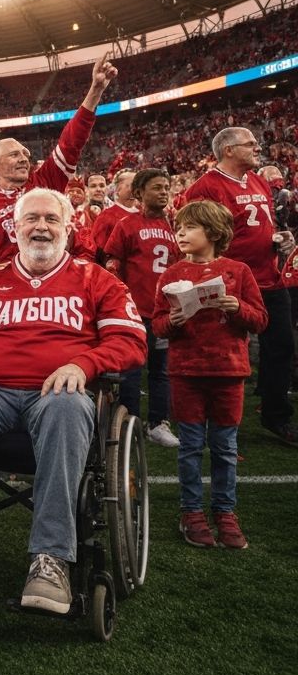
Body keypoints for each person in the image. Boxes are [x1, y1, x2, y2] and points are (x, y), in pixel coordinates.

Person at [0, 188, 146, 613]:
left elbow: (132, 340)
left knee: (67, 405)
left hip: (58, 392)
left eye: (51, 219)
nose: (40, 227)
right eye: (31, 219)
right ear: (15, 227)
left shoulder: (97, 280)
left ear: (68, 228)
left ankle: (51, 560)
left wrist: (84, 364)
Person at [152, 201, 267, 549]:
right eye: (179, 228)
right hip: (186, 371)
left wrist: (238, 309)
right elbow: (157, 324)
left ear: (214, 233)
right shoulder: (171, 275)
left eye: (189, 228)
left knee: (224, 447)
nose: (180, 233)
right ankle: (191, 512)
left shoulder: (238, 271)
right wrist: (172, 321)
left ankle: (225, 512)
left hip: (229, 372)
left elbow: (261, 319)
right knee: (189, 447)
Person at [185, 126, 297, 445]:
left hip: (269, 278)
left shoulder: (259, 180)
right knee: (219, 351)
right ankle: (208, 419)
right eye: (250, 144)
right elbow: (197, 237)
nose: (257, 147)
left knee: (281, 346)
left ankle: (276, 415)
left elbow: (262, 226)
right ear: (229, 149)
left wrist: (281, 240)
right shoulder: (205, 187)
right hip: (230, 281)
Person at [0, 53, 119, 278]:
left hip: (52, 287)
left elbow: (72, 141)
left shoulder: (45, 180)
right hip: (5, 296)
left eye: (25, 154)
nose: (24, 158)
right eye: (14, 155)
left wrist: (95, 91)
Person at [103, 169, 180, 447]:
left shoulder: (176, 226)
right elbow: (113, 264)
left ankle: (158, 423)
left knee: (161, 370)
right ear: (139, 193)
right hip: (134, 312)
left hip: (164, 312)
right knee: (132, 369)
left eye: (166, 187)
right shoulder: (126, 224)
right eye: (157, 187)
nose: (163, 192)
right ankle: (129, 422)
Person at [90, 169, 137, 263]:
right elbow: (96, 251)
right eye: (131, 184)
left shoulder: (145, 216)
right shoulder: (106, 216)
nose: (136, 188)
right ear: (118, 189)